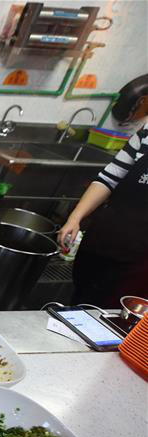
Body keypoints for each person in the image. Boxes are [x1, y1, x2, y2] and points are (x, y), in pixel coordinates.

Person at [57, 100, 148, 308]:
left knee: (113, 314)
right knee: (82, 301)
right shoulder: (145, 133)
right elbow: (108, 178)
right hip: (105, 239)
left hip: (140, 261)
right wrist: (75, 217)